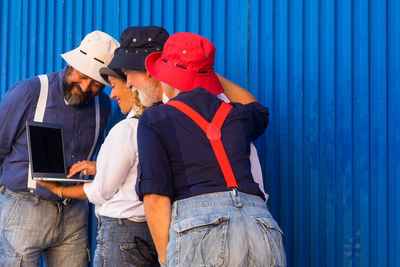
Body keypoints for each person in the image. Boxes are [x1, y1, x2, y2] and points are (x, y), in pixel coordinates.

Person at [136, 32, 286, 266]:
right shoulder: (236, 115)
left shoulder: (155, 119)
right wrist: (205, 71)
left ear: (168, 76)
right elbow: (256, 108)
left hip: (201, 229)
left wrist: (166, 257)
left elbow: (155, 197)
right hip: (261, 226)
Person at [0, 31, 118, 266]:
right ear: (71, 64)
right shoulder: (30, 92)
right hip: (25, 206)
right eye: (82, 76)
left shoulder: (102, 106)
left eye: (96, 84)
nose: (85, 87)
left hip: (73, 210)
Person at [37, 62, 159, 266]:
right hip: (146, 229)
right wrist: (99, 166)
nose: (111, 95)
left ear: (131, 85)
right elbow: (140, 169)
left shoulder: (126, 129)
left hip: (123, 233)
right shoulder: (156, 123)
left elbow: (102, 191)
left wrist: (59, 190)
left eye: (113, 85)